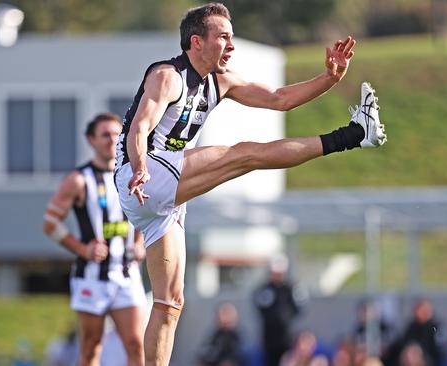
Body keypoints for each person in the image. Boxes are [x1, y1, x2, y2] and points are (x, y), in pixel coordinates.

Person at [113, 3, 387, 364]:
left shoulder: (220, 81)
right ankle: (353, 134)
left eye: (232, 36)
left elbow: (279, 99)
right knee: (243, 154)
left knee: (169, 304)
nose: (231, 45)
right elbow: (140, 127)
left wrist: (330, 78)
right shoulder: (168, 76)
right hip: (143, 174)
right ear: (196, 42)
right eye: (223, 37)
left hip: (159, 198)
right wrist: (140, 166)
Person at [43, 113, 147, 366]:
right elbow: (50, 223)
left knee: (136, 344)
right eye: (105, 135)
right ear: (91, 140)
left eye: (116, 134)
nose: (112, 140)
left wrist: (140, 242)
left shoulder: (133, 173)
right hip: (92, 275)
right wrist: (82, 248)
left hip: (126, 273)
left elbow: (146, 213)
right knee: (90, 347)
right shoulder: (79, 180)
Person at [253, 255, 301, 366]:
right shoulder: (265, 289)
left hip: (287, 337)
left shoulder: (291, 289)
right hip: (269, 338)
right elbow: (261, 308)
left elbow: (298, 308)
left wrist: (285, 317)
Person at [384, 299, 446, 366]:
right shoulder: (412, 326)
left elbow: (440, 350)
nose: (423, 312)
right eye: (421, 309)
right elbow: (402, 342)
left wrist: (419, 352)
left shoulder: (436, 327)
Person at [197, 302, 244, 366]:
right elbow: (206, 350)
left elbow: (236, 355)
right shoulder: (216, 334)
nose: (222, 317)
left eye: (226, 314)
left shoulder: (236, 335)